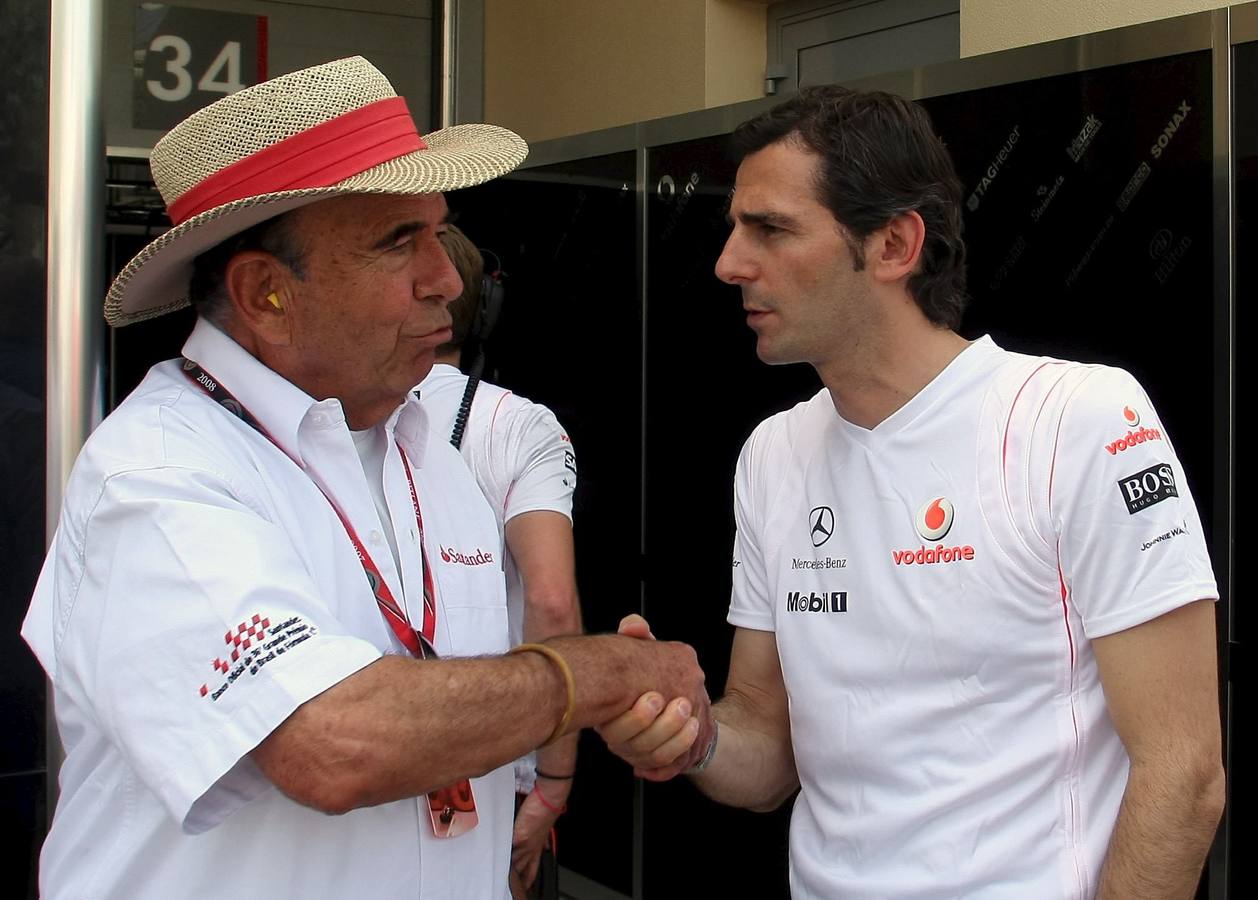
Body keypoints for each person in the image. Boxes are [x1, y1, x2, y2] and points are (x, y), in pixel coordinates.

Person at [21, 57, 709, 900]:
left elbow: (459, 700)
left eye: (437, 232)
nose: (449, 282)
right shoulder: (159, 477)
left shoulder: (425, 448)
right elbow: (331, 744)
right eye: (397, 243)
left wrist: (614, 709)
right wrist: (600, 678)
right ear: (265, 293)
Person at [599, 85, 1225, 898]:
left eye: (771, 228)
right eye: (732, 227)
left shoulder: (1077, 420)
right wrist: (693, 733)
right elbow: (768, 753)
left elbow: (1185, 775)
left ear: (894, 244)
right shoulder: (773, 454)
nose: (728, 263)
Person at [419, 224, 582, 895]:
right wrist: (555, 781)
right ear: (481, 310)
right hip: (496, 769)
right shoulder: (518, 425)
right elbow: (552, 601)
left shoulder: (326, 413)